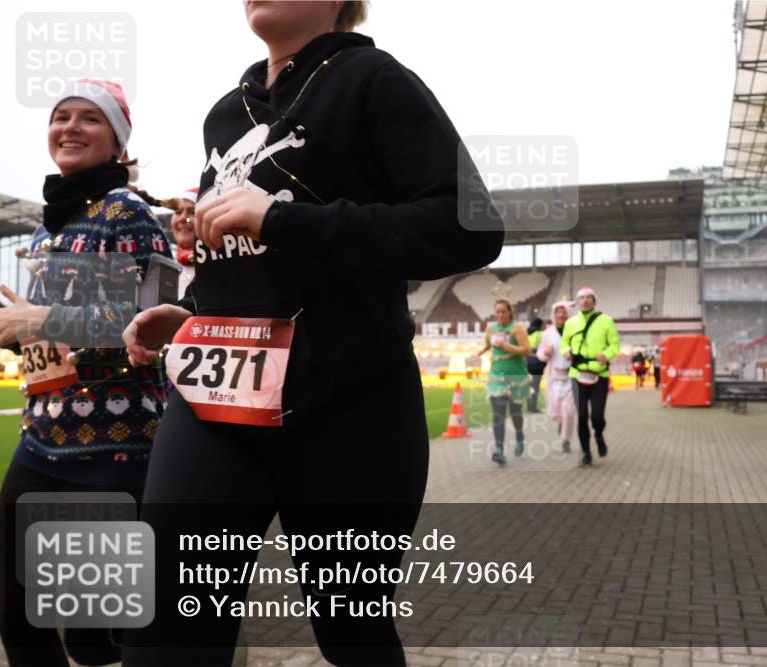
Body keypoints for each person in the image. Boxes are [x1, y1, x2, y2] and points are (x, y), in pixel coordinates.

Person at [121, 3, 502, 665]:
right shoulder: (225, 115)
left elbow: (470, 227)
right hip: (218, 403)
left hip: (351, 405)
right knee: (167, 629)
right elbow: (246, 260)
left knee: (352, 633)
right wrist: (192, 313)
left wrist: (282, 219)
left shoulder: (375, 80)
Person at [0, 78, 171, 667]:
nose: (69, 127)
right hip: (41, 440)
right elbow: (61, 337)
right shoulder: (49, 227)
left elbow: (148, 327)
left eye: (90, 118)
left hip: (112, 452)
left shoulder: (129, 213)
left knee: (94, 642)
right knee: (19, 621)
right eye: (60, 116)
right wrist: (19, 332)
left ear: (119, 143)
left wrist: (40, 319)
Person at [560, 286, 620, 467]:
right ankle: (585, 452)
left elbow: (614, 344)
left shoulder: (606, 321)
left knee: (597, 417)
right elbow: (564, 343)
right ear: (578, 302)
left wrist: (606, 355)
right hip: (577, 374)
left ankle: (599, 435)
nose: (585, 300)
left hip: (599, 375)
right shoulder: (570, 323)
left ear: (594, 301)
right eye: (582, 298)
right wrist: (566, 351)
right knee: (582, 416)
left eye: (589, 297)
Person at [479, 299, 531, 465]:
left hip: (516, 377)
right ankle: (499, 450)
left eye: (503, 311)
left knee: (516, 413)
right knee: (498, 414)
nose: (500, 314)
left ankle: (520, 436)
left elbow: (527, 350)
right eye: (498, 311)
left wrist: (508, 347)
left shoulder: (517, 328)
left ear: (510, 312)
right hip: (497, 377)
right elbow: (488, 344)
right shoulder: (491, 328)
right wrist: (482, 350)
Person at [536, 301, 575, 453]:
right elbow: (540, 354)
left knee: (568, 410)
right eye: (558, 312)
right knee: (555, 409)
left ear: (568, 314)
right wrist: (546, 353)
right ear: (554, 315)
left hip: (571, 376)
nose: (561, 315)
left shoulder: (574, 332)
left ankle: (566, 439)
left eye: (564, 312)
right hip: (554, 376)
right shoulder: (548, 333)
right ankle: (562, 422)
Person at [163, 187, 198, 297]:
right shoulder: (162, 265)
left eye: (193, 212)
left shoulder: (224, 266)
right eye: (178, 212)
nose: (183, 219)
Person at [525, 316, 546, 412]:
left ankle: (528, 406)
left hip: (526, 361)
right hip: (537, 362)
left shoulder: (526, 333)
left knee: (528, 385)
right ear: (540, 325)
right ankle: (533, 407)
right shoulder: (540, 334)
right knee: (535, 385)